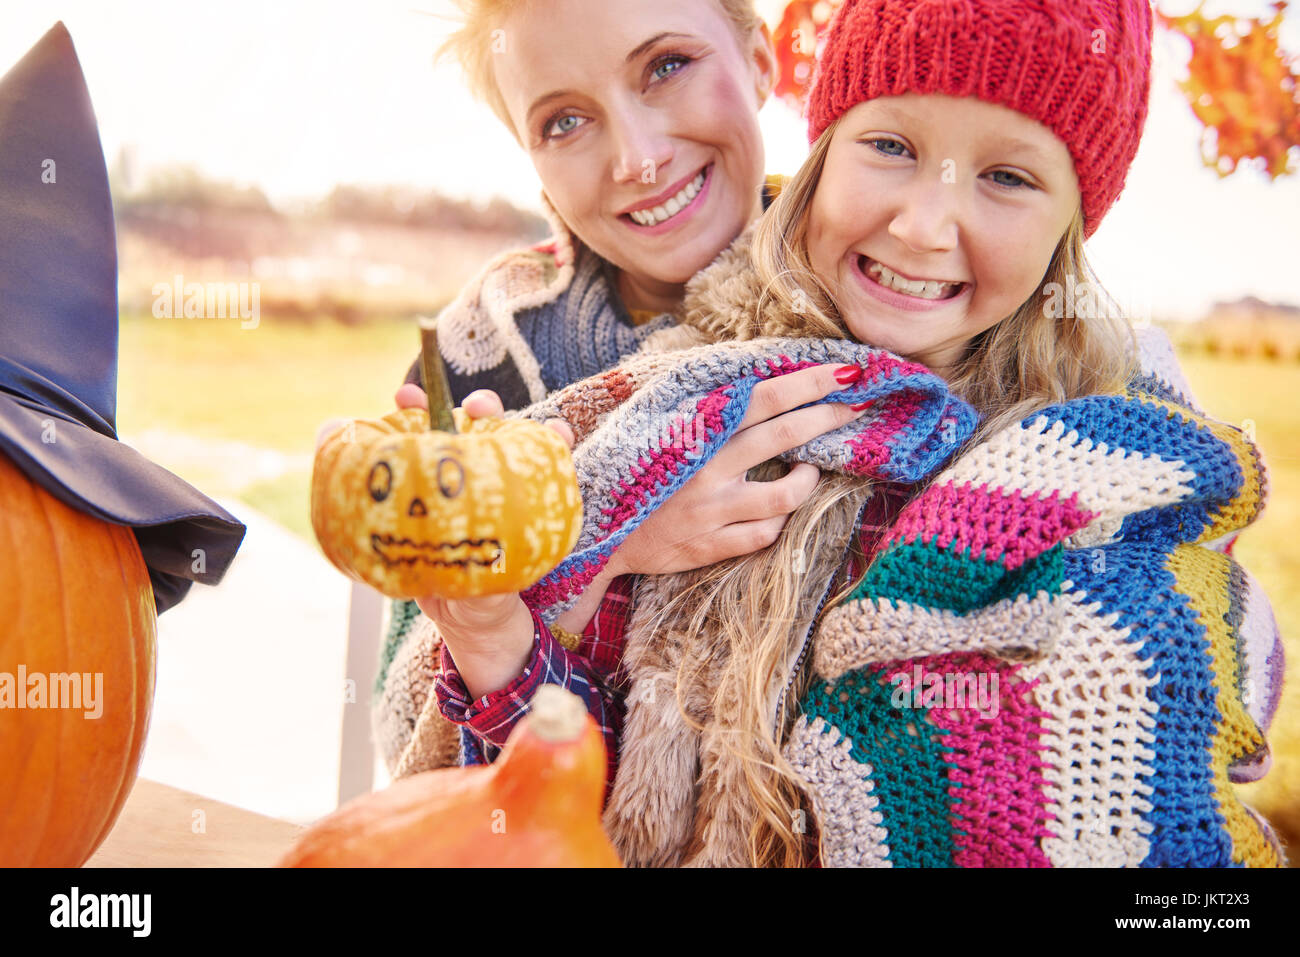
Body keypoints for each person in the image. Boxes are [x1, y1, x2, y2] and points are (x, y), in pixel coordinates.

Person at [436, 0, 1286, 867]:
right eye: (890, 147)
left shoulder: (1098, 448)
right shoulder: (692, 407)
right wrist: (509, 628)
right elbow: (575, 799)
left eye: (1008, 177)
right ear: (824, 153)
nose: (921, 226)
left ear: (1074, 219)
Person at [370, 0, 875, 779]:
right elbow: (410, 728)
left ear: (759, 61)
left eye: (667, 67)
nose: (637, 159)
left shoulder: (881, 295)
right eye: (565, 122)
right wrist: (609, 532)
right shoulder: (483, 354)